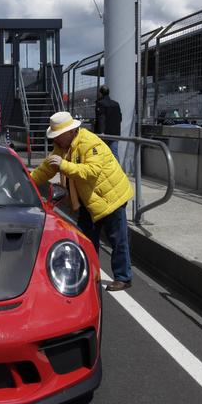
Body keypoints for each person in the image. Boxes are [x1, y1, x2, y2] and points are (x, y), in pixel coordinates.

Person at [30, 111, 134, 291]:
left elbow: (91, 171)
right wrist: (27, 180)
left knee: (117, 239)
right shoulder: (63, 147)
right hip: (89, 199)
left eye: (59, 136)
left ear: (71, 132)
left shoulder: (89, 142)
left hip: (110, 196)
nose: (56, 140)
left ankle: (123, 277)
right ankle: (90, 273)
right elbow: (47, 169)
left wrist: (63, 165)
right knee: (86, 239)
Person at [94, 85, 122, 156]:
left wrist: (101, 132)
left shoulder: (100, 103)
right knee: (114, 154)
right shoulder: (116, 104)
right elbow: (120, 118)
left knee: (102, 154)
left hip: (104, 135)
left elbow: (101, 119)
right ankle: (117, 167)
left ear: (100, 93)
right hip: (115, 133)